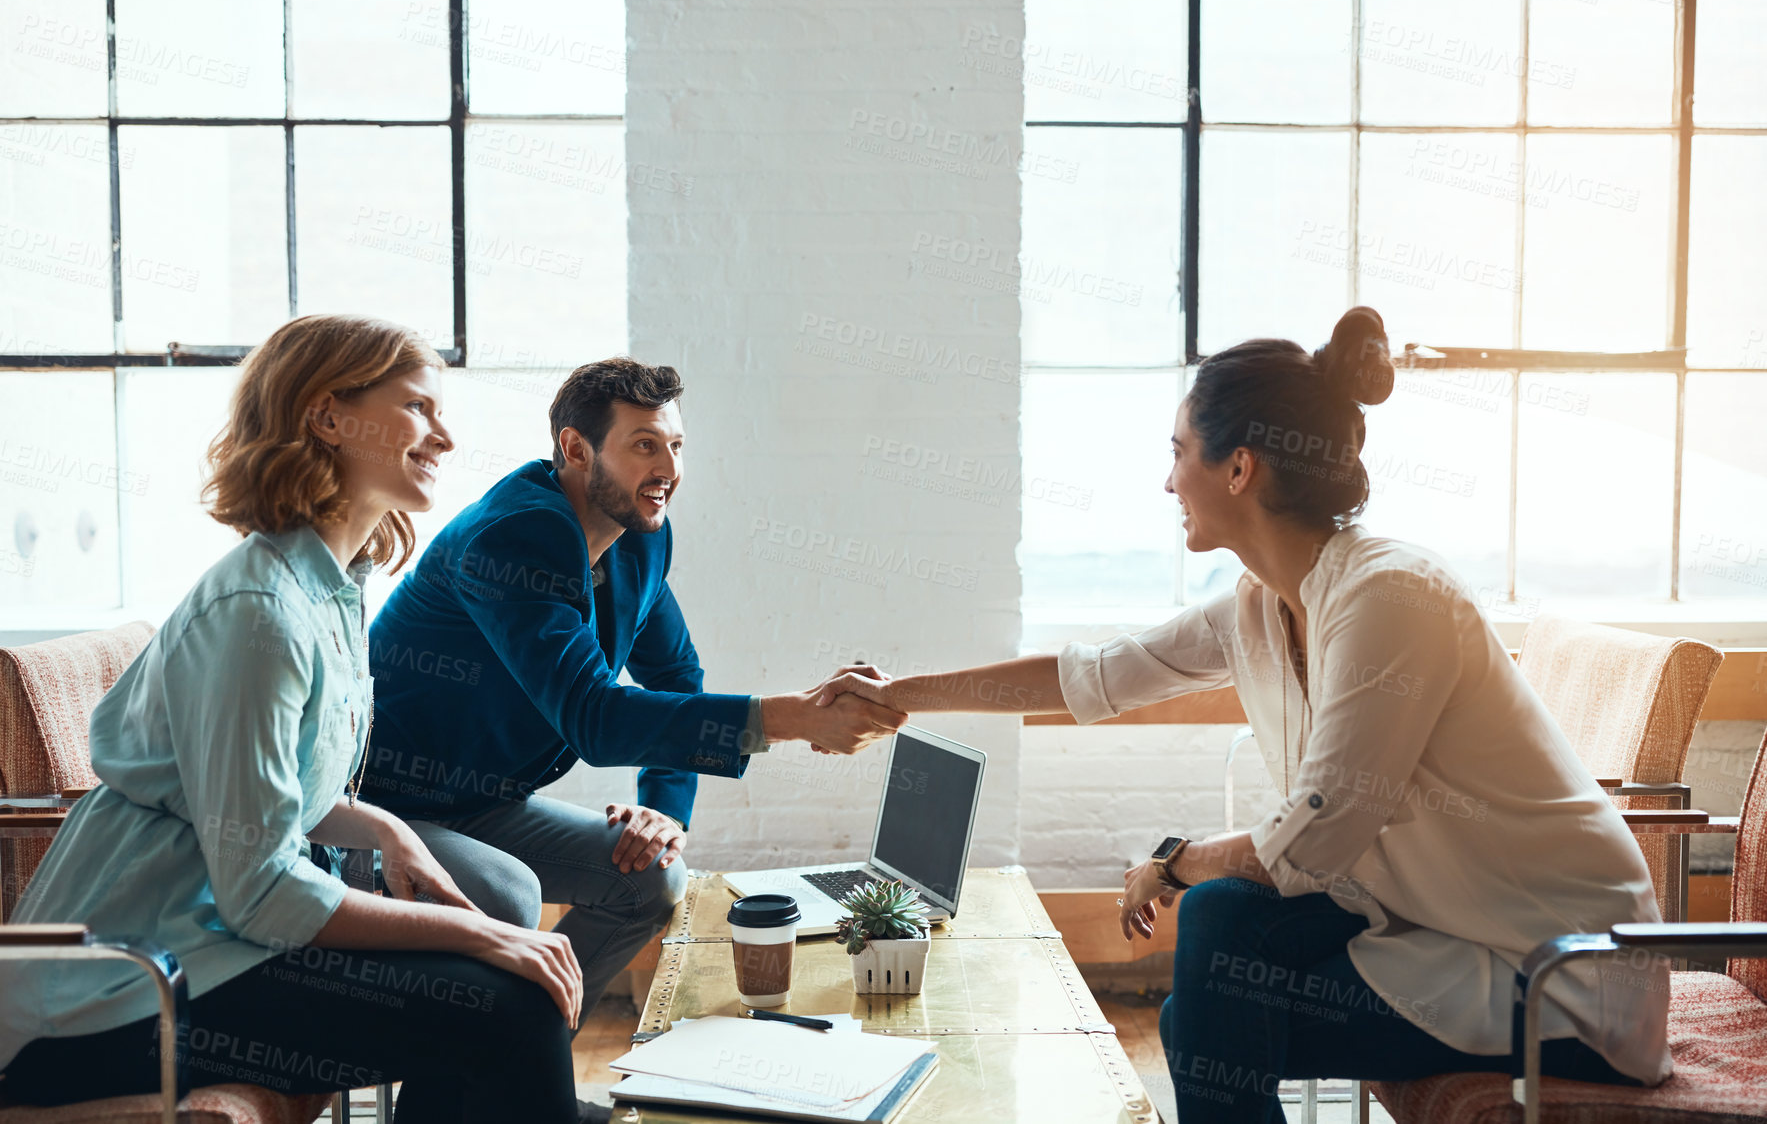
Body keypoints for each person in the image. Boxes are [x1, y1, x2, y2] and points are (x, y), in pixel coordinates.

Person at [815, 307, 1669, 1122]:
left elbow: (1314, 837)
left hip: (1560, 973)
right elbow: (1095, 676)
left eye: (1178, 450)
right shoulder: (1260, 605)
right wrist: (902, 693)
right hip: (1433, 925)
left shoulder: (1390, 596)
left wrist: (1173, 860)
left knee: (1204, 996)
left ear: (1239, 467)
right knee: (1213, 969)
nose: (1166, 477)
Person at [0, 316, 594, 1123]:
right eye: (418, 407)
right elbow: (262, 892)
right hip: (109, 1000)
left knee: (500, 1005)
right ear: (326, 416)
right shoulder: (260, 611)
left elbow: (271, 789)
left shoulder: (329, 585)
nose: (444, 437)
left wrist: (385, 826)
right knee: (508, 1003)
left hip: (207, 948)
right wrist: (480, 937)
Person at [355, 356, 903, 1024]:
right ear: (576, 449)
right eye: (644, 444)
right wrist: (791, 718)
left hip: (484, 802)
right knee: (507, 892)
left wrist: (664, 811)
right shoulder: (512, 537)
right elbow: (592, 714)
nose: (668, 469)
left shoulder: (640, 539)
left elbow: (673, 677)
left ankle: (513, 1051)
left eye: (675, 446)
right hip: (382, 808)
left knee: (651, 877)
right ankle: (484, 1071)